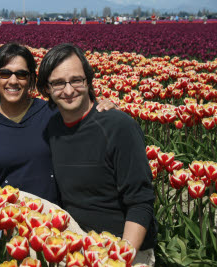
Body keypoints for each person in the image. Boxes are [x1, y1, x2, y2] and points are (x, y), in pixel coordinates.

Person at [36, 43, 157, 266]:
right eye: (59, 83)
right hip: (76, 244)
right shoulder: (51, 128)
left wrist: (120, 258)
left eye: (76, 80)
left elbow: (140, 202)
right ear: (47, 89)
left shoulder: (118, 127)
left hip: (123, 248)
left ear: (88, 80)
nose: (69, 90)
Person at [0, 43, 116, 204]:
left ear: (31, 79)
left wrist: (106, 109)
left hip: (56, 218)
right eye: (5, 74)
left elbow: (87, 131)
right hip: (9, 218)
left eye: (22, 74)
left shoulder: (52, 112)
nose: (13, 81)